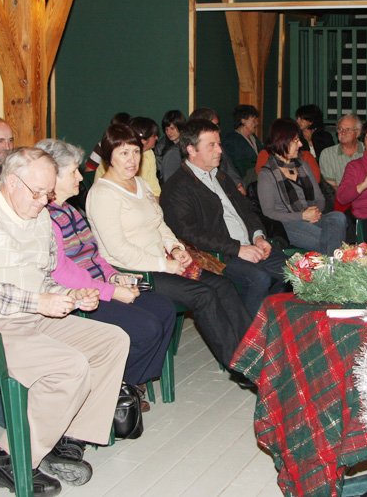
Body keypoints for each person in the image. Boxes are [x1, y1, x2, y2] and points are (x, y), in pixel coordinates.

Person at [0, 147, 129, 494]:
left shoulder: (37, 216)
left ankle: (67, 437)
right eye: (37, 192)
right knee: (68, 365)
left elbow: (41, 278)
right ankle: (9, 459)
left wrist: (70, 296)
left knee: (112, 341)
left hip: (24, 319)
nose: (43, 201)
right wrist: (40, 300)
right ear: (10, 182)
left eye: (48, 193)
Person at [84, 124, 254, 383]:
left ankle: (252, 355)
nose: (132, 160)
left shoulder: (139, 184)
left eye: (136, 152)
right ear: (109, 156)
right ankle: (240, 367)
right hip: (133, 272)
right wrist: (164, 263)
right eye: (123, 153)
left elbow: (160, 224)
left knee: (223, 284)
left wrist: (176, 247)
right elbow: (117, 250)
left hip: (163, 262)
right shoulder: (102, 194)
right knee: (205, 295)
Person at [37, 138, 174, 404]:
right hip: (80, 297)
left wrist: (113, 275)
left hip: (101, 285)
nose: (81, 176)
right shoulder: (46, 217)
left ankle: (130, 383)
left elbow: (93, 253)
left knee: (164, 309)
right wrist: (112, 291)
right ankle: (117, 386)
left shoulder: (70, 210)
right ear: (52, 177)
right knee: (147, 328)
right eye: (73, 172)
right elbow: (62, 273)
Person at [160, 119, 289, 316]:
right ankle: (247, 335)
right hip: (219, 256)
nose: (219, 150)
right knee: (258, 278)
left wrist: (258, 237)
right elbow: (189, 233)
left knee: (295, 270)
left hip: (249, 246)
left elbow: (247, 210)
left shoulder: (221, 177)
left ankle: (270, 320)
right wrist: (237, 249)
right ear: (192, 150)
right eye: (211, 145)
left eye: (218, 143)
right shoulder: (177, 188)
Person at [257, 119, 346, 255]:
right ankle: (334, 265)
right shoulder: (267, 174)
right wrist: (302, 216)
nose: (300, 144)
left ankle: (330, 266)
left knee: (338, 217)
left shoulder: (303, 166)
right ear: (283, 141)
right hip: (287, 223)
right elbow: (269, 213)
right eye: (296, 140)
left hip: (312, 218)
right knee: (331, 237)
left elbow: (319, 198)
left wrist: (314, 213)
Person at [95, 116, 162, 199]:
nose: (132, 159)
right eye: (125, 153)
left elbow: (154, 188)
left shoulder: (149, 154)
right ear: (143, 141)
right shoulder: (114, 156)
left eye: (136, 151)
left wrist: (156, 209)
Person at [188, 107, 246, 193]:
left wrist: (239, 185)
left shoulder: (220, 148)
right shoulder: (178, 154)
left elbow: (232, 172)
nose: (219, 130)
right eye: (215, 126)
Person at [318, 113, 364, 189]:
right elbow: (331, 188)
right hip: (339, 198)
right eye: (340, 129)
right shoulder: (327, 154)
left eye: (348, 129)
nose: (343, 132)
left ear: (358, 133)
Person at [223, 104, 263, 178]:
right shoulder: (231, 140)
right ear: (243, 121)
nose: (257, 123)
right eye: (253, 120)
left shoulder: (255, 138)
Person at [156, 109, 186, 183]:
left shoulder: (189, 142)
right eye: (166, 129)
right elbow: (161, 174)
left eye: (172, 128)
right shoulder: (161, 147)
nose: (169, 132)